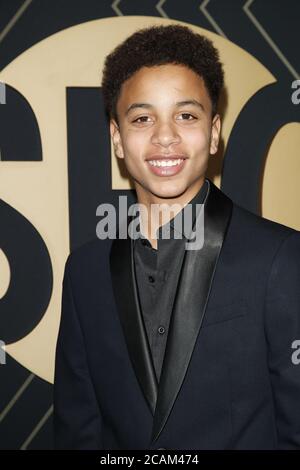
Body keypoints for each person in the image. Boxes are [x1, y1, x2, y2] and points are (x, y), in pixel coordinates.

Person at [53, 24, 300, 450]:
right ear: (117, 138)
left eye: (186, 115)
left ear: (215, 130)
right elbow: (79, 430)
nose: (164, 137)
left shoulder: (280, 258)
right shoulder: (85, 272)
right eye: (143, 118)